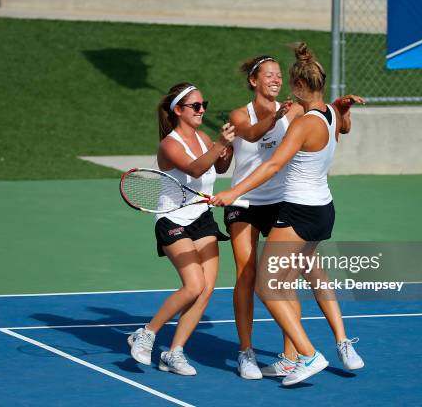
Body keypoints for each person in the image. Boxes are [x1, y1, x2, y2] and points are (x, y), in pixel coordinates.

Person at [211, 43, 363, 386]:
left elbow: (277, 163)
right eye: (269, 75)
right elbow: (252, 135)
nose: (276, 80)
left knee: (274, 285)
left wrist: (231, 192)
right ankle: (270, 355)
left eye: (282, 76)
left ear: (296, 85)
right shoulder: (320, 113)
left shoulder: (301, 117)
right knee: (266, 279)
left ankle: (304, 355)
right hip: (300, 209)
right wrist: (341, 110)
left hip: (292, 207)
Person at [128, 82, 235, 376]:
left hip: (202, 217)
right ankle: (146, 333)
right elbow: (196, 169)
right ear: (178, 110)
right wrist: (220, 144)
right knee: (193, 284)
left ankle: (173, 353)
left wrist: (229, 148)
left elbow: (218, 168)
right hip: (173, 219)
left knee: (206, 289)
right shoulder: (169, 144)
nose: (202, 111)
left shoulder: (203, 137)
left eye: (204, 105)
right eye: (196, 106)